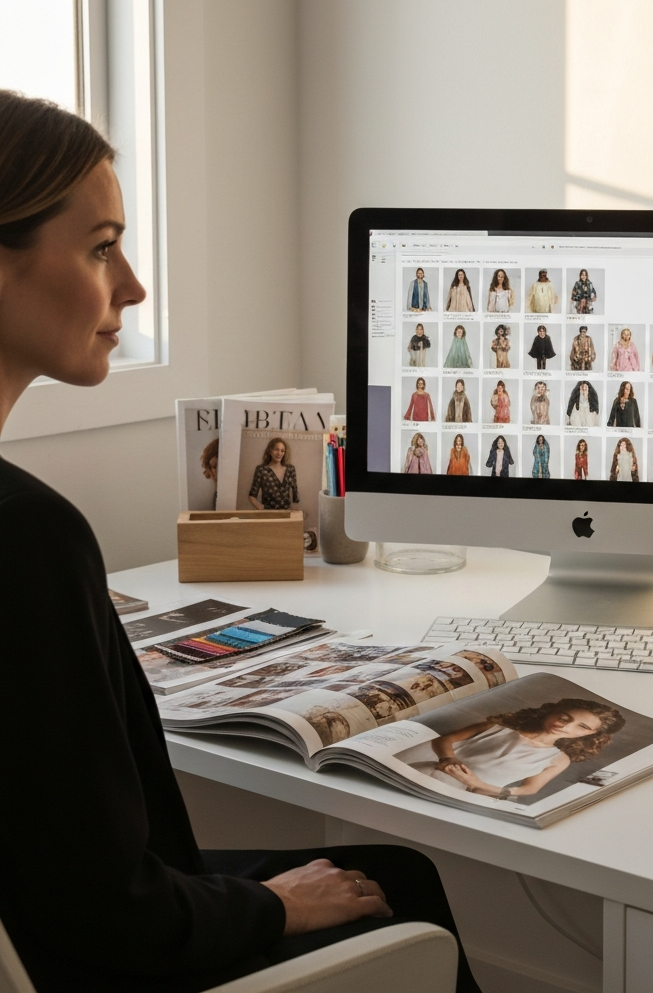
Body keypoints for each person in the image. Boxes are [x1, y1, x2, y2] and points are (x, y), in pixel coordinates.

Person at [0, 90, 481, 993]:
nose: (133, 286)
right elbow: (104, 912)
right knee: (399, 888)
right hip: (100, 953)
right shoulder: (23, 534)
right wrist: (276, 908)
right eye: (102, 248)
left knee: (400, 867)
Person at [400, 699, 625, 799]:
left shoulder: (558, 759)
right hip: (433, 773)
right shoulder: (497, 727)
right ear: (553, 710)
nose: (564, 725)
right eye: (564, 717)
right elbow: (445, 739)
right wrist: (449, 759)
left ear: (590, 734)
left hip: (473, 794)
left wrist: (477, 784)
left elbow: (529, 790)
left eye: (582, 726)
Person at [248, 437, 299, 510]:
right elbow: (252, 496)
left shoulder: (290, 469)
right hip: (268, 516)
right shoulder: (262, 470)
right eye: (276, 449)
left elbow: (295, 495)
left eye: (282, 451)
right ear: (270, 451)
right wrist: (262, 510)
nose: (279, 453)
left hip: (286, 515)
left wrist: (295, 514)